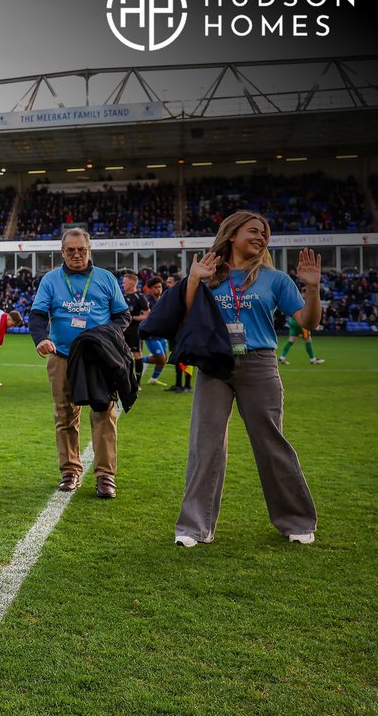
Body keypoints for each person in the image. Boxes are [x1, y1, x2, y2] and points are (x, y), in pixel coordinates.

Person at [174, 211, 320, 546]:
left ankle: (296, 520)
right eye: (253, 230)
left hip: (260, 363)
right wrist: (194, 279)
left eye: (265, 233)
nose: (261, 237)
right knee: (204, 444)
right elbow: (185, 315)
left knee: (271, 442)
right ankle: (195, 527)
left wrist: (312, 288)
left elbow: (308, 321)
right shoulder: (209, 274)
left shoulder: (276, 279)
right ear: (231, 234)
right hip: (214, 365)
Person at [29, 228, 130, 498]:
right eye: (70, 250)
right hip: (62, 356)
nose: (76, 254)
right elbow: (38, 314)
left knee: (104, 414)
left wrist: (105, 337)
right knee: (65, 414)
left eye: (81, 250)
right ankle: (70, 471)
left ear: (89, 250)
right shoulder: (51, 280)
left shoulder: (106, 279)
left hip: (99, 360)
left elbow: (122, 316)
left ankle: (105, 475)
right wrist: (40, 338)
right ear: (62, 252)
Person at [121, 272, 150, 389]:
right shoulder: (121, 297)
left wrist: (132, 318)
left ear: (132, 283)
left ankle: (137, 383)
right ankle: (126, 380)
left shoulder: (140, 297)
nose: (122, 284)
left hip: (135, 330)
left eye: (124, 282)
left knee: (137, 354)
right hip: (122, 330)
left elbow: (147, 315)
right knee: (123, 355)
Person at [142, 278, 169, 385]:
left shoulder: (162, 299)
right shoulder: (147, 301)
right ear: (150, 289)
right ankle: (136, 361)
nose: (158, 289)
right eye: (156, 287)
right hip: (151, 335)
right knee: (161, 359)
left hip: (161, 335)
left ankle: (153, 379)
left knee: (164, 359)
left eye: (160, 286)